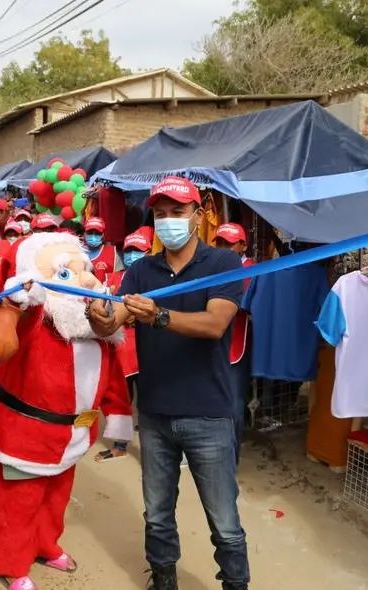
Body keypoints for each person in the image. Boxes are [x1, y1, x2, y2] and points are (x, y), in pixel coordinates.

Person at [87, 177, 250, 590]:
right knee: (157, 515)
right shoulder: (141, 270)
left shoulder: (223, 265)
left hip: (208, 413)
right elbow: (112, 326)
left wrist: (159, 316)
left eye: (177, 212)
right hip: (155, 414)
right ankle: (163, 579)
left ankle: (235, 583)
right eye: (160, 215)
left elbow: (215, 324)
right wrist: (95, 313)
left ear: (197, 216)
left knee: (224, 521)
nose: (168, 221)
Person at [0, 232, 133, 590]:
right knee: (16, 503)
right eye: (65, 273)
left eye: (85, 269)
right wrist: (16, 301)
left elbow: (113, 375)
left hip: (72, 434)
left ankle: (45, 544)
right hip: (22, 435)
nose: (87, 279)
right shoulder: (33, 317)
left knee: (55, 497)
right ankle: (12, 564)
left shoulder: (94, 324)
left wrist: (118, 416)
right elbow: (2, 339)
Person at [94, 226, 152, 463]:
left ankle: (157, 450)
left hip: (148, 349)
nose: (131, 255)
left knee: (150, 400)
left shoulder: (156, 279)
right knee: (119, 397)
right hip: (120, 350)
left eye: (137, 250)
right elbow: (99, 306)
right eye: (128, 250)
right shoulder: (110, 279)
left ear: (148, 251)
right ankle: (120, 445)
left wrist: (133, 314)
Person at [214, 222, 255, 458]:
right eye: (220, 243)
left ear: (242, 246)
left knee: (234, 402)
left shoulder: (251, 270)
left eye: (229, 244)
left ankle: (230, 454)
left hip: (236, 344)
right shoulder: (213, 266)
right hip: (211, 342)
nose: (224, 248)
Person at [82, 217, 122, 283]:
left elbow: (118, 278)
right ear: (84, 233)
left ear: (103, 234)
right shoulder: (78, 251)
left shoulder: (113, 253)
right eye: (90, 232)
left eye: (97, 233)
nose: (93, 236)